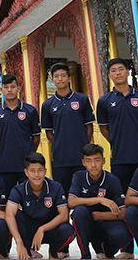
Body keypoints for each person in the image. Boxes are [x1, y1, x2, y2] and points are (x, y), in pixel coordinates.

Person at [97, 58, 138, 192]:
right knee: (123, 194)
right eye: (113, 71)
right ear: (109, 75)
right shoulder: (104, 101)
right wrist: (114, 140)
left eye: (121, 69)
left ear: (128, 72)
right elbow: (103, 127)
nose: (118, 73)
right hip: (119, 157)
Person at [67, 144, 132, 260]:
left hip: (108, 221)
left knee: (123, 235)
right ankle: (85, 255)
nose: (93, 165)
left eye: (97, 160)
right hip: (87, 223)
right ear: (83, 162)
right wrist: (100, 199)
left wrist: (97, 216)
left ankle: (107, 251)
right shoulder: (79, 177)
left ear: (104, 161)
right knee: (79, 212)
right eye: (88, 161)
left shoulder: (112, 180)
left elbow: (123, 212)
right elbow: (71, 202)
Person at [5, 153, 73, 260]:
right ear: (26, 172)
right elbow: (9, 215)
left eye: (40, 170)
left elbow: (64, 215)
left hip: (49, 228)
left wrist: (42, 229)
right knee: (15, 215)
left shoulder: (56, 187)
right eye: (32, 171)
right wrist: (19, 242)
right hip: (29, 230)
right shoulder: (18, 189)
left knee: (68, 230)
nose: (37, 174)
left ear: (45, 171)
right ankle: (27, 251)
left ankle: (53, 252)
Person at [41, 63, 95, 193]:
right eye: (56, 76)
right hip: (61, 158)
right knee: (63, 192)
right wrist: (59, 145)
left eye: (63, 75)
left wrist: (84, 144)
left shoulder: (82, 99)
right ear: (52, 79)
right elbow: (49, 132)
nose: (60, 79)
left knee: (84, 190)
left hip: (81, 155)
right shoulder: (48, 105)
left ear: (69, 78)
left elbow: (89, 126)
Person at [0, 74, 41, 193]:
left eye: (12, 87)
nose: (9, 90)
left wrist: (29, 152)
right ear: (1, 90)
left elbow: (36, 137)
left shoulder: (30, 111)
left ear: (18, 88)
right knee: (7, 198)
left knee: (28, 195)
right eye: (6, 87)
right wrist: (5, 150)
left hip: (26, 164)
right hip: (5, 164)